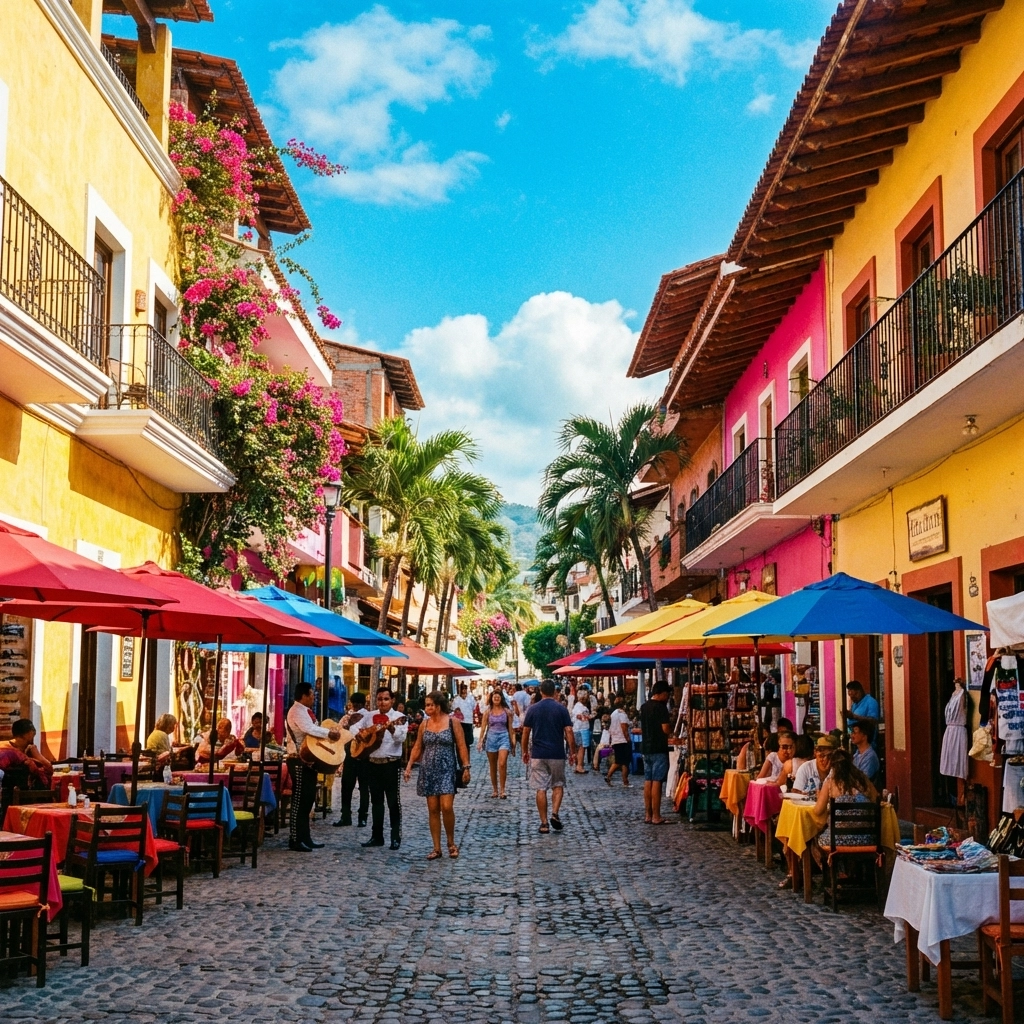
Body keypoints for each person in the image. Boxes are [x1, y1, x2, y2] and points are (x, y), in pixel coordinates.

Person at [403, 690, 471, 859]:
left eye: (430, 705)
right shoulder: (424, 725)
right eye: (426, 705)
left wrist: (466, 767)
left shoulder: (452, 722)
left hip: (447, 768)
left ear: (438, 706)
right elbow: (418, 746)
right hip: (428, 769)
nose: (427, 708)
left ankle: (451, 842)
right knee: (433, 809)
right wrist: (409, 765)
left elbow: (461, 746)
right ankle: (437, 847)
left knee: (446, 807)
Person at [284, 682, 342, 852]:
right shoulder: (297, 711)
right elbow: (308, 729)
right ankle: (295, 838)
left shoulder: (304, 711)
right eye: (311, 694)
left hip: (307, 759)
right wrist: (328, 733)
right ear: (304, 695)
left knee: (308, 799)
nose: (313, 697)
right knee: (300, 800)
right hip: (298, 759)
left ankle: (305, 836)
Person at [522, 679, 575, 834]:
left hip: (538, 754)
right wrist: (572, 752)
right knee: (557, 784)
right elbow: (569, 732)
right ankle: (555, 813)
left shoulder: (533, 709)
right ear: (555, 692)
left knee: (540, 787)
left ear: (540, 691)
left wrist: (525, 751)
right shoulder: (561, 709)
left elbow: (525, 732)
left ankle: (544, 823)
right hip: (557, 753)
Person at [361, 688, 408, 851]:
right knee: (376, 802)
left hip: (390, 763)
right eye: (379, 699)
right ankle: (377, 836)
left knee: (393, 802)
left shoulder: (399, 718)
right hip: (373, 762)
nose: (382, 702)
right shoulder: (369, 716)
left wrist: (391, 728)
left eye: (386, 699)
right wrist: (362, 735)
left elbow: (401, 738)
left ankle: (395, 837)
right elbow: (356, 729)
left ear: (392, 700)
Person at [814, 747, 879, 855]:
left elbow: (818, 811)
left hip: (837, 841)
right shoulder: (863, 779)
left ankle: (835, 870)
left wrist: (819, 797)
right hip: (867, 839)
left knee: (815, 840)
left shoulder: (830, 782)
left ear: (832, 766)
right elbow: (876, 798)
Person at [334, 692, 371, 828]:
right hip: (359, 754)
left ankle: (348, 816)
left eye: (356, 704)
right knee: (360, 787)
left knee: (350, 786)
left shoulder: (360, 716)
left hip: (356, 753)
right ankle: (360, 817)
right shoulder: (362, 716)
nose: (355, 706)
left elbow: (339, 733)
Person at [640, 681, 673, 824]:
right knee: (657, 781)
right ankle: (656, 816)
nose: (668, 697)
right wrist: (671, 730)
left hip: (646, 748)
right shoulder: (661, 708)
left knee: (648, 780)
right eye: (667, 694)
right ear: (661, 693)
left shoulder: (644, 707)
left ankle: (648, 814)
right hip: (658, 748)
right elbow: (665, 729)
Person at [478, 689, 514, 798]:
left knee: (502, 763)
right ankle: (495, 789)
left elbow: (510, 728)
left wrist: (513, 741)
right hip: (491, 738)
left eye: (498, 697)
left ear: (501, 698)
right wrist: (480, 741)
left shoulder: (507, 712)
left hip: (503, 737)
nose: (496, 699)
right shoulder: (487, 712)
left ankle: (503, 790)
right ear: (492, 699)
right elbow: (483, 727)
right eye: (494, 697)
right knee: (493, 765)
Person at [0, 719, 53, 787]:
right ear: (29, 734)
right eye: (33, 733)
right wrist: (36, 754)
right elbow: (49, 768)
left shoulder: (27, 749)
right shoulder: (10, 750)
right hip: (15, 790)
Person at [605, 698, 632, 787]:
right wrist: (627, 738)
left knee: (624, 762)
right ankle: (609, 775)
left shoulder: (614, 714)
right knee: (620, 761)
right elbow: (624, 727)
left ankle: (625, 781)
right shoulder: (622, 714)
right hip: (622, 740)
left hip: (615, 739)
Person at [570, 691, 593, 774]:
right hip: (582, 728)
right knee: (581, 748)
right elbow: (580, 716)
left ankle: (577, 765)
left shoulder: (576, 706)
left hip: (577, 728)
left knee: (578, 747)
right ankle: (580, 766)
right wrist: (589, 717)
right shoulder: (581, 707)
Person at [451, 683, 477, 754]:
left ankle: (466, 757)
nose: (464, 691)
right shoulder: (456, 699)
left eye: (465, 689)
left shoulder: (470, 698)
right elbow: (453, 709)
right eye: (462, 689)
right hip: (459, 722)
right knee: (459, 740)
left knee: (467, 741)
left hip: (468, 721)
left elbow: (474, 707)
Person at [510, 683, 530, 755]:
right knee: (524, 734)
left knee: (514, 734)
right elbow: (528, 706)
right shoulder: (526, 694)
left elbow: (514, 707)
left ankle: (514, 748)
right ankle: (524, 751)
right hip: (524, 715)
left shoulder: (515, 695)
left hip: (516, 716)